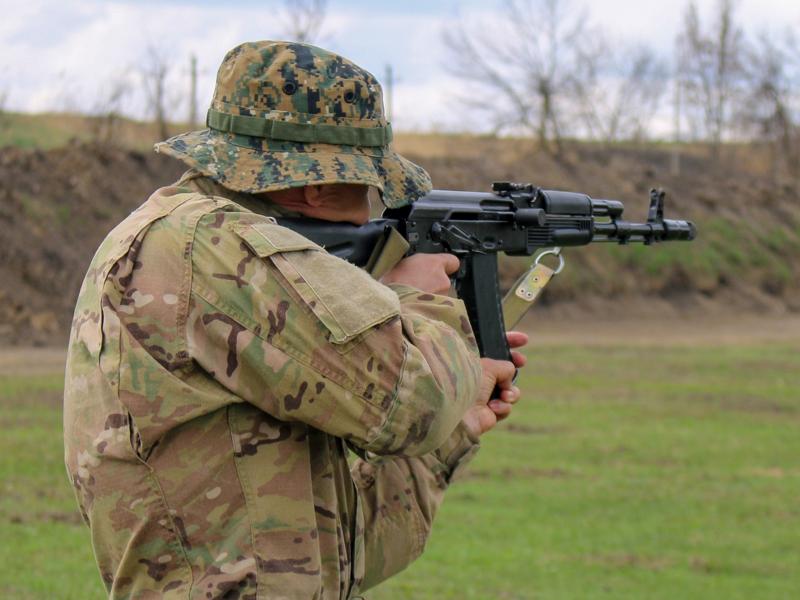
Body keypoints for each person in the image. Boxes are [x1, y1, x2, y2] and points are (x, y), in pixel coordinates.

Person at [64, 40, 526, 599]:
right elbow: (418, 404)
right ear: (318, 186)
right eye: (368, 189)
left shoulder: (188, 241)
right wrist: (416, 301)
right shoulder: (214, 248)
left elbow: (337, 557)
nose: (371, 211)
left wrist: (455, 428)